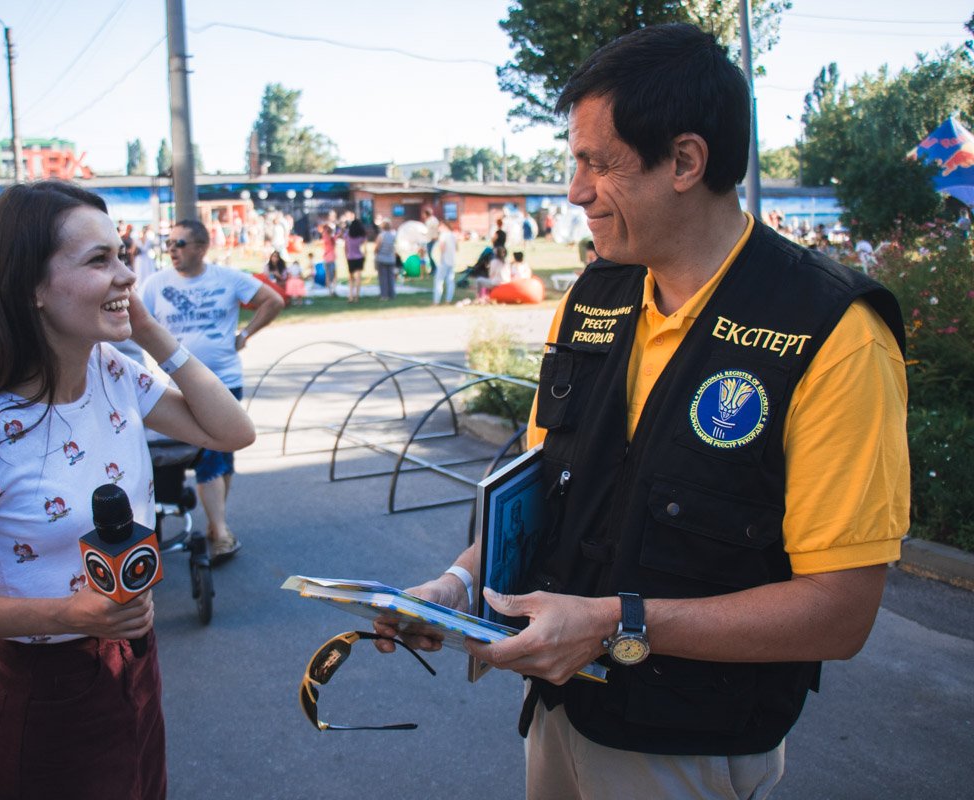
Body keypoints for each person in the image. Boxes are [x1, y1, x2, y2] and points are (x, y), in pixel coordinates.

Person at [376, 24, 908, 800]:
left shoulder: (831, 334)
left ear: (687, 161)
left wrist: (613, 622)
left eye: (599, 163)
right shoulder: (595, 295)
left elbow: (840, 612)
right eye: (574, 160)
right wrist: (458, 590)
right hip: (561, 719)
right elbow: (539, 496)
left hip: (689, 748)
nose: (575, 190)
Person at [0, 182, 255, 800]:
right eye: (99, 261)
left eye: (123, 256)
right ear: (31, 287)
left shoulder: (111, 371)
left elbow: (232, 431)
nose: (126, 276)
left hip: (136, 662)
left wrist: (148, 333)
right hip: (49, 692)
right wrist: (68, 613)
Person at [141, 220, 283, 564]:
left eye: (181, 243)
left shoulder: (226, 278)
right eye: (169, 243)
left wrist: (246, 334)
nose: (172, 250)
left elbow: (273, 300)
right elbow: (132, 324)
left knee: (221, 450)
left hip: (223, 380)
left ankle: (218, 526)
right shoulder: (155, 284)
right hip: (176, 385)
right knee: (211, 451)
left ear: (202, 248)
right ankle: (220, 530)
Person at [432, 219, 457, 305]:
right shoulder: (453, 235)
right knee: (450, 281)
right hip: (451, 260)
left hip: (444, 260)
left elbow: (442, 247)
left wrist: (440, 257)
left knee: (439, 281)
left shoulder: (443, 235)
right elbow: (456, 248)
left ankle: (436, 301)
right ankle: (448, 300)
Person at [343, 219, 367, 304]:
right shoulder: (361, 236)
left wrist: (346, 255)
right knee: (358, 278)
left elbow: (345, 247)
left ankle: (350, 296)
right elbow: (364, 248)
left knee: (351, 278)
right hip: (359, 257)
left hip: (350, 258)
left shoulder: (347, 235)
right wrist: (365, 256)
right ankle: (357, 296)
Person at [373, 221, 398, 301]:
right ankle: (392, 294)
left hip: (382, 259)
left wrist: (375, 253)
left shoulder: (381, 236)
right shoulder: (393, 236)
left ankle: (384, 295)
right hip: (391, 259)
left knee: (383, 278)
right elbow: (394, 247)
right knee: (391, 278)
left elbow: (377, 247)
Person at [318, 215, 339, 295]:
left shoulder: (326, 236)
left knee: (329, 275)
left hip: (327, 258)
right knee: (333, 275)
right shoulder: (331, 238)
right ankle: (333, 289)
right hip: (331, 258)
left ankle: (330, 290)